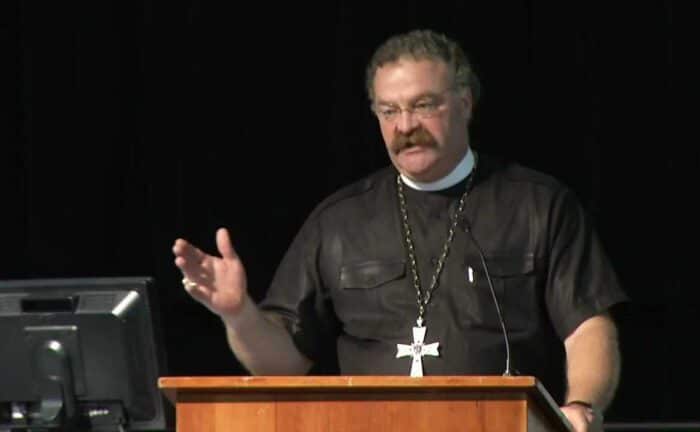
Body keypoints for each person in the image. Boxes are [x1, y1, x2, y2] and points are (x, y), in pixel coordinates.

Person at [172, 29, 628, 432]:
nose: (405, 126)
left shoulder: (537, 204)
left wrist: (581, 407)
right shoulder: (339, 220)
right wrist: (238, 314)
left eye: (423, 106)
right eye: (389, 111)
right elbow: (283, 362)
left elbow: (587, 326)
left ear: (465, 104)